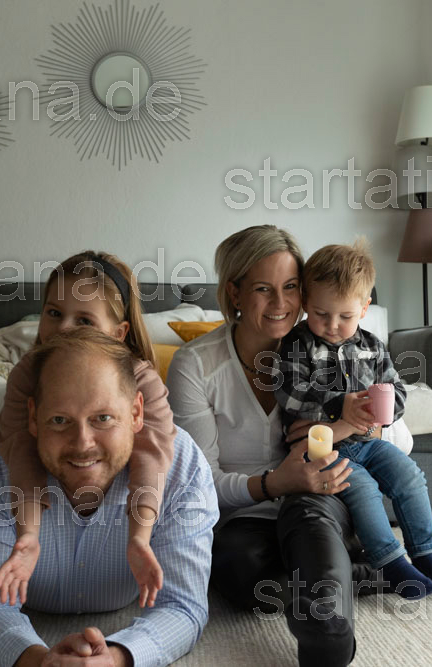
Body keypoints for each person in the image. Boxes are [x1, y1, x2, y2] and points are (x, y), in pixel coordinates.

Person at [166, 225, 388, 667]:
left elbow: (383, 428)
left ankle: (327, 641)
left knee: (309, 522)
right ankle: (360, 572)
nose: (281, 303)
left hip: (321, 500)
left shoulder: (331, 346)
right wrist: (275, 483)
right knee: (236, 568)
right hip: (248, 514)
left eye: (290, 287)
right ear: (234, 292)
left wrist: (351, 426)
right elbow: (200, 485)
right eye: (263, 289)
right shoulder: (195, 365)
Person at [0, 327, 218, 667]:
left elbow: (183, 606)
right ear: (33, 417)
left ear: (136, 413)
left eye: (102, 418)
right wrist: (41, 662)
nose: (82, 443)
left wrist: (117, 659)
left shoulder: (182, 466)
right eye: (60, 420)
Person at [274, 241, 432, 600]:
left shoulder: (372, 346)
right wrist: (338, 405)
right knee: (362, 489)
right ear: (305, 303)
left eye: (345, 316)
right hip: (322, 447)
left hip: (368, 442)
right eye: (320, 314)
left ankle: (425, 550)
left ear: (364, 308)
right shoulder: (297, 344)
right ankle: (389, 562)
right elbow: (291, 392)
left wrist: (386, 412)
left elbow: (395, 387)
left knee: (408, 475)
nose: (332, 326)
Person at [0, 251, 176, 610]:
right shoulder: (26, 373)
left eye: (84, 320)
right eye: (54, 313)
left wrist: (139, 537)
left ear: (118, 334)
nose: (63, 329)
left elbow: (151, 455)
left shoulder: (142, 379)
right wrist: (28, 534)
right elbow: (21, 450)